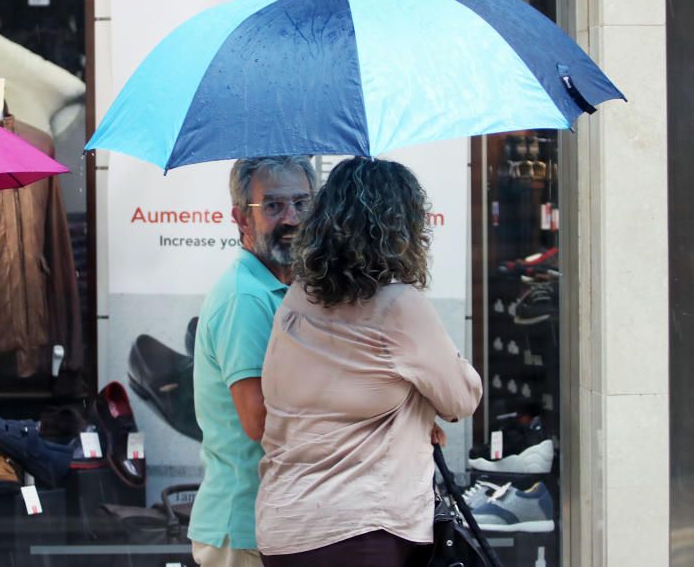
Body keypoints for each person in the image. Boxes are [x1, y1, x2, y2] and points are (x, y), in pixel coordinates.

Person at [256, 157, 483, 567]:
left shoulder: (298, 297)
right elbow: (461, 397)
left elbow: (325, 395)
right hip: (362, 529)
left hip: (285, 526)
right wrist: (422, 402)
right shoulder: (398, 306)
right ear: (404, 229)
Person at [188, 156, 316, 567]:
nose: (292, 218)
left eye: (302, 203)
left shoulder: (287, 289)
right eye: (274, 206)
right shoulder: (246, 297)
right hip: (246, 527)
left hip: (269, 521)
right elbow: (261, 422)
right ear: (241, 219)